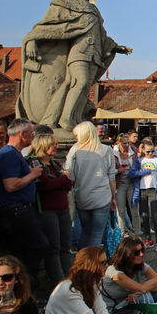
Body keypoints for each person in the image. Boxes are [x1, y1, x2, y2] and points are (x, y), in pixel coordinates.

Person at [18, 0, 131, 132]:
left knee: (83, 87)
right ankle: (65, 118)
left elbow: (101, 34)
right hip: (79, 52)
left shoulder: (93, 10)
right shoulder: (63, 4)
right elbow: (45, 27)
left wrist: (115, 46)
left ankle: (71, 117)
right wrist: (31, 41)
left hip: (94, 54)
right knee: (80, 82)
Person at [0, 119, 46, 281]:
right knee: (37, 245)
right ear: (22, 134)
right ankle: (26, 285)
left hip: (19, 209)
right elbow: (10, 185)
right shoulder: (9, 154)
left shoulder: (13, 153)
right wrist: (32, 175)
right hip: (16, 210)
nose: (33, 136)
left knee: (24, 248)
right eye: (31, 133)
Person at [27, 133, 73, 282]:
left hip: (63, 208)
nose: (56, 147)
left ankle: (69, 279)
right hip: (47, 210)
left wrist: (62, 180)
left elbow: (68, 185)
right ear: (43, 145)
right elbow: (44, 185)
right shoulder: (34, 163)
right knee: (54, 247)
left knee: (65, 246)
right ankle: (58, 282)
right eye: (53, 144)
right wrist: (63, 178)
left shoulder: (55, 164)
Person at [67, 121, 117, 249]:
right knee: (96, 234)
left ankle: (83, 260)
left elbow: (70, 176)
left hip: (82, 195)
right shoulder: (106, 150)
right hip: (102, 195)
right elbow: (111, 177)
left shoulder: (75, 150)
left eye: (77, 135)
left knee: (86, 231)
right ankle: (93, 264)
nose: (76, 138)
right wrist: (113, 197)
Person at [129, 141, 157, 252]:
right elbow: (131, 173)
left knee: (155, 216)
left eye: (152, 151)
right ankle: (148, 239)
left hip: (154, 189)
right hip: (142, 189)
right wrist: (143, 172)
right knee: (144, 216)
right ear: (143, 150)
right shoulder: (140, 160)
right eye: (148, 151)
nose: (150, 153)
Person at [114, 133, 139, 236]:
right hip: (120, 184)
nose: (127, 145)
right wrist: (118, 171)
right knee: (120, 210)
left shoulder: (133, 152)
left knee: (135, 210)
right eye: (124, 143)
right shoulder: (113, 153)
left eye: (128, 143)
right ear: (118, 143)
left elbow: (138, 165)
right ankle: (122, 233)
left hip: (131, 183)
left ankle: (137, 233)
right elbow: (110, 170)